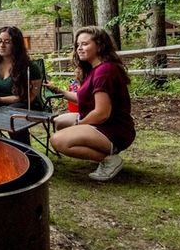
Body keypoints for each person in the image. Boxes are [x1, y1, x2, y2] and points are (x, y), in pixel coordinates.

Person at [44, 26, 135, 181]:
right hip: (105, 125)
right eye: (78, 45)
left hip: (114, 129)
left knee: (58, 140)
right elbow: (86, 99)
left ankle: (109, 160)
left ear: (99, 45)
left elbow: (101, 113)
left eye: (85, 44)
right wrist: (60, 91)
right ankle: (100, 153)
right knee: (59, 122)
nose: (79, 48)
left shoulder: (104, 72)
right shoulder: (95, 69)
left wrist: (79, 125)